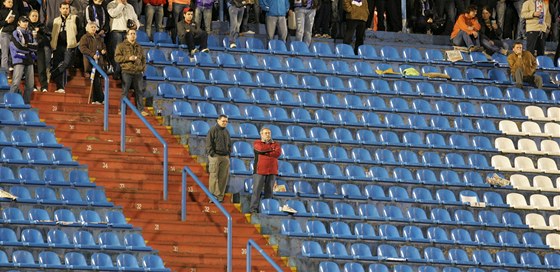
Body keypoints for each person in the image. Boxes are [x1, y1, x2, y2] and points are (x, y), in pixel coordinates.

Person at [115, 29, 149, 116]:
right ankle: (122, 110)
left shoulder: (139, 47)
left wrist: (142, 68)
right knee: (125, 91)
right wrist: (128, 58)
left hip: (137, 72)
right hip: (126, 71)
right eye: (131, 34)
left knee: (139, 91)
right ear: (127, 35)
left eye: (134, 34)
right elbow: (117, 58)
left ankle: (141, 110)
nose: (133, 35)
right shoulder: (121, 46)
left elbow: (143, 59)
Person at [50, 2, 81, 94]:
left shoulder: (75, 18)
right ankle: (60, 87)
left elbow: (80, 30)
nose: (65, 10)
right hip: (58, 45)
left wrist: (76, 41)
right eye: (63, 8)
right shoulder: (56, 20)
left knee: (67, 63)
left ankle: (52, 74)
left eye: (67, 8)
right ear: (60, 9)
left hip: (69, 45)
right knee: (58, 64)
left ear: (69, 9)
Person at [248, 127, 281, 214]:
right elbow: (260, 149)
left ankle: (267, 209)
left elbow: (277, 153)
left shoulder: (276, 144)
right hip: (260, 171)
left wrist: (266, 151)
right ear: (261, 134)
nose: (268, 134)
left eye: (269, 133)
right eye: (265, 133)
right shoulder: (257, 143)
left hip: (272, 171)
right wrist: (271, 149)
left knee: (269, 192)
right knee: (257, 191)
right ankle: (253, 209)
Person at [107, 0, 139, 80]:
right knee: (117, 52)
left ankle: (124, 73)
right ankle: (116, 71)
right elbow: (113, 13)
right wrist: (121, 5)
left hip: (127, 33)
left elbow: (135, 18)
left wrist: (136, 26)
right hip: (116, 31)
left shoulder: (130, 6)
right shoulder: (111, 4)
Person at [9, 16, 36, 104]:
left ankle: (25, 104)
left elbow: (35, 47)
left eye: (26, 21)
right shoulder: (15, 33)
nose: (25, 23)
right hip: (19, 60)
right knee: (16, 83)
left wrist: (27, 47)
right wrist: (28, 48)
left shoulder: (30, 34)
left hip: (29, 60)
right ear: (19, 22)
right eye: (23, 21)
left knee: (30, 85)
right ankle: (10, 103)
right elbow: (17, 47)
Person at [206, 114, 232, 203]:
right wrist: (213, 154)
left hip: (225, 157)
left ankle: (220, 197)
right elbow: (208, 143)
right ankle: (212, 197)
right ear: (218, 120)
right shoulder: (212, 130)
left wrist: (228, 153)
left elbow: (229, 144)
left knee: (223, 178)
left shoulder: (226, 131)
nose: (225, 123)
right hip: (215, 156)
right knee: (213, 176)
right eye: (223, 121)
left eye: (226, 121)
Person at [79, 22, 107, 104]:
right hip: (91, 62)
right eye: (92, 27)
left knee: (97, 81)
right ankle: (100, 99)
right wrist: (92, 54)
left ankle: (96, 99)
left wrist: (103, 50)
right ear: (87, 28)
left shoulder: (98, 38)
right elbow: (82, 48)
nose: (94, 29)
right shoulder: (85, 37)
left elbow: (103, 46)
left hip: (99, 63)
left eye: (95, 27)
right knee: (96, 80)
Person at [28, 9, 50, 93]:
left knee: (42, 68)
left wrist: (40, 30)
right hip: (29, 49)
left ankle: (44, 87)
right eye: (33, 16)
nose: (34, 17)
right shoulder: (26, 25)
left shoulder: (41, 25)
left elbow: (48, 33)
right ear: (29, 17)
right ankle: (32, 86)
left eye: (36, 16)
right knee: (30, 69)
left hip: (39, 48)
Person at [0, 0, 18, 70]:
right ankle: (4, 72)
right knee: (5, 54)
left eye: (12, 2)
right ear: (4, 3)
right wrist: (6, 21)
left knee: (12, 52)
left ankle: (10, 69)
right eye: (9, 2)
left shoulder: (15, 12)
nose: (11, 3)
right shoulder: (1, 12)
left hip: (13, 33)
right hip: (5, 33)